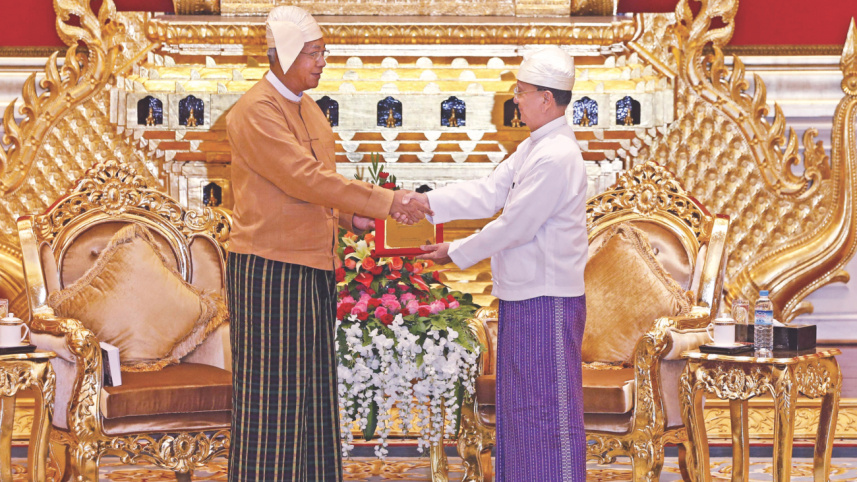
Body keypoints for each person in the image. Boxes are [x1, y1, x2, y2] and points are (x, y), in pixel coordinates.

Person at [224, 6, 431, 481]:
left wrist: (350, 214)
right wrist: (384, 201)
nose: (323, 61)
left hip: (314, 264)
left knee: (313, 394)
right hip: (270, 268)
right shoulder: (256, 111)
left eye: (323, 52)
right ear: (286, 55)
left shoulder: (307, 106)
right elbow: (302, 177)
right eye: (315, 53)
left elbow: (320, 185)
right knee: (273, 396)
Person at [407, 46, 588, 481]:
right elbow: (488, 192)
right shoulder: (536, 146)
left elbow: (515, 226)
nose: (515, 99)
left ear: (547, 99)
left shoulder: (557, 155)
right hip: (524, 295)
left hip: (547, 300)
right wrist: (425, 203)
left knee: (546, 411)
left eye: (522, 92)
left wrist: (455, 250)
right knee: (521, 410)